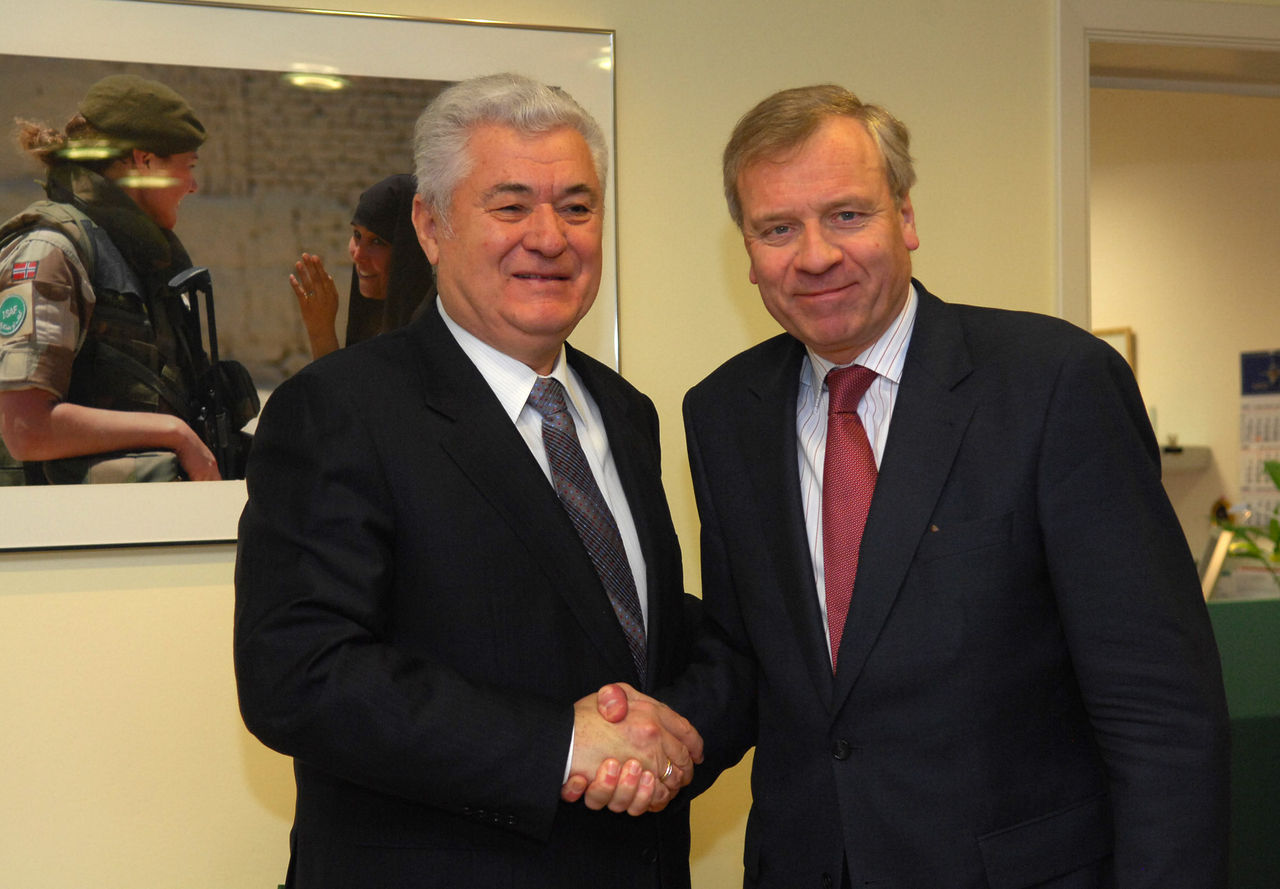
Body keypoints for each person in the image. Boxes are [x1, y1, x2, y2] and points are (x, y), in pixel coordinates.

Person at [597, 84, 1232, 888]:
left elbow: (1161, 711)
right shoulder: (723, 414)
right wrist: (659, 732)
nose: (816, 254)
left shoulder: (1053, 384)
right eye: (778, 228)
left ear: (906, 217)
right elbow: (749, 656)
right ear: (748, 253)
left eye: (848, 215)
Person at [234, 73, 703, 889]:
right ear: (431, 224)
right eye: (511, 206)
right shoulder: (341, 407)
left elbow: (630, 632)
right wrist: (560, 742)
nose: (550, 237)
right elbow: (298, 674)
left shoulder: (626, 413)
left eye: (578, 206)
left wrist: (675, 733)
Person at [0, 74, 230, 484]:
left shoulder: (141, 258)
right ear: (144, 162)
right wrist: (175, 435)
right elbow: (25, 430)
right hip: (65, 534)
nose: (194, 186)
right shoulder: (53, 251)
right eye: (188, 167)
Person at [289, 172, 435, 360]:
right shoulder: (379, 330)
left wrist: (322, 335)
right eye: (357, 235)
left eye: (377, 242)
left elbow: (347, 389)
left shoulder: (426, 340)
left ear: (408, 250)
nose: (358, 255)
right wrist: (319, 330)